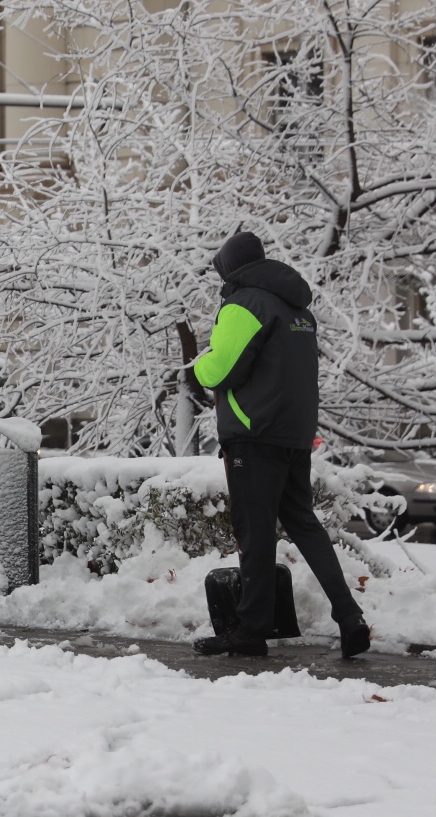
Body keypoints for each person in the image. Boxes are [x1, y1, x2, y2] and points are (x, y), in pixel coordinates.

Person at [192, 231, 370, 658]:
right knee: (305, 525)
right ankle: (350, 618)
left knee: (254, 532)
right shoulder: (298, 309)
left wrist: (199, 365)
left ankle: (250, 630)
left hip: (255, 436)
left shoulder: (244, 303)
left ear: (230, 268)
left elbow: (220, 370)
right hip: (293, 435)